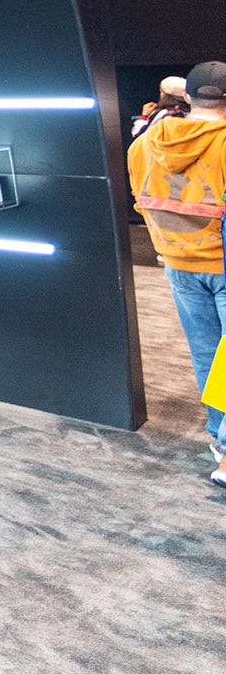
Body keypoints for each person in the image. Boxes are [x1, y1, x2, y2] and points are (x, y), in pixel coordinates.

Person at [128, 60, 226, 486]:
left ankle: (220, 442)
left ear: (189, 97)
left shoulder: (146, 142)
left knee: (209, 356)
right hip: (221, 263)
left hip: (177, 262)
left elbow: (139, 191)